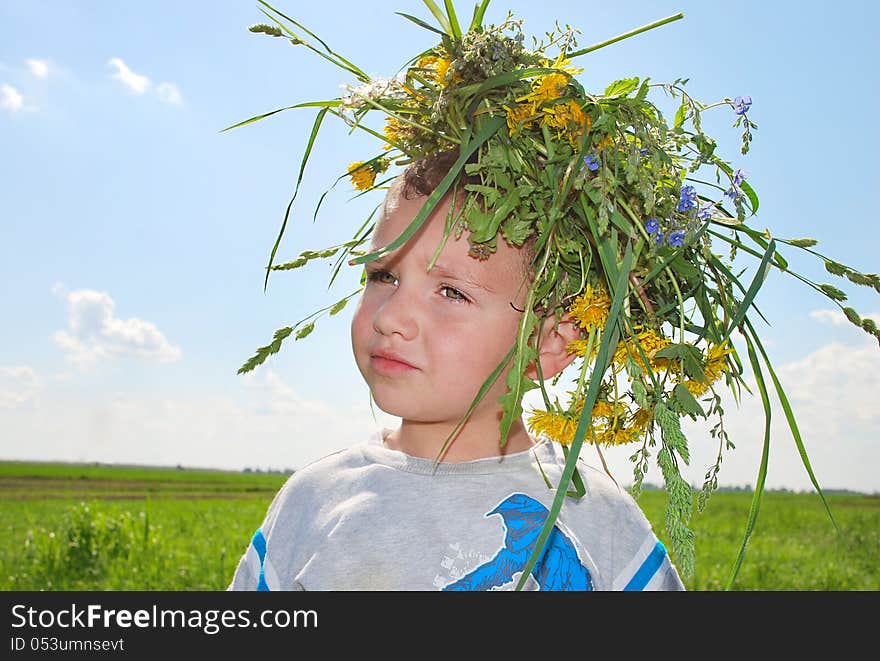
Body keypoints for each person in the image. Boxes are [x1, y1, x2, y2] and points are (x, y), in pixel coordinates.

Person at [228, 151, 686, 591]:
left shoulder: (596, 517)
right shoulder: (313, 502)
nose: (390, 317)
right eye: (383, 275)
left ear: (547, 343)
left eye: (451, 292)